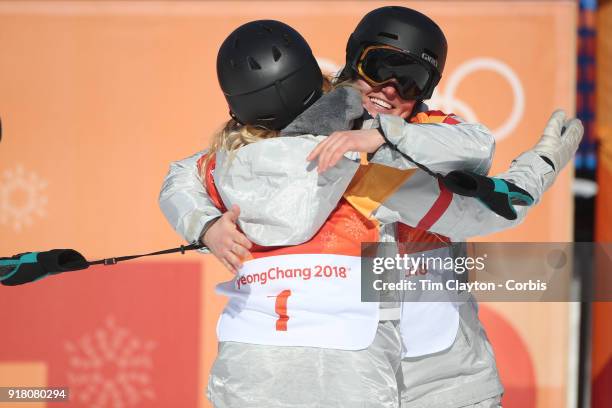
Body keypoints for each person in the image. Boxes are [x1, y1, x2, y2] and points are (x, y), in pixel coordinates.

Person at [159, 10, 582, 408]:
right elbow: (194, 172)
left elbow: (481, 168)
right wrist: (206, 225)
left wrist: (385, 135)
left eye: (412, 79)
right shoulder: (305, 128)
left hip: (441, 376)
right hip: (350, 371)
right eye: (378, 68)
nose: (391, 89)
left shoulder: (426, 137)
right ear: (352, 62)